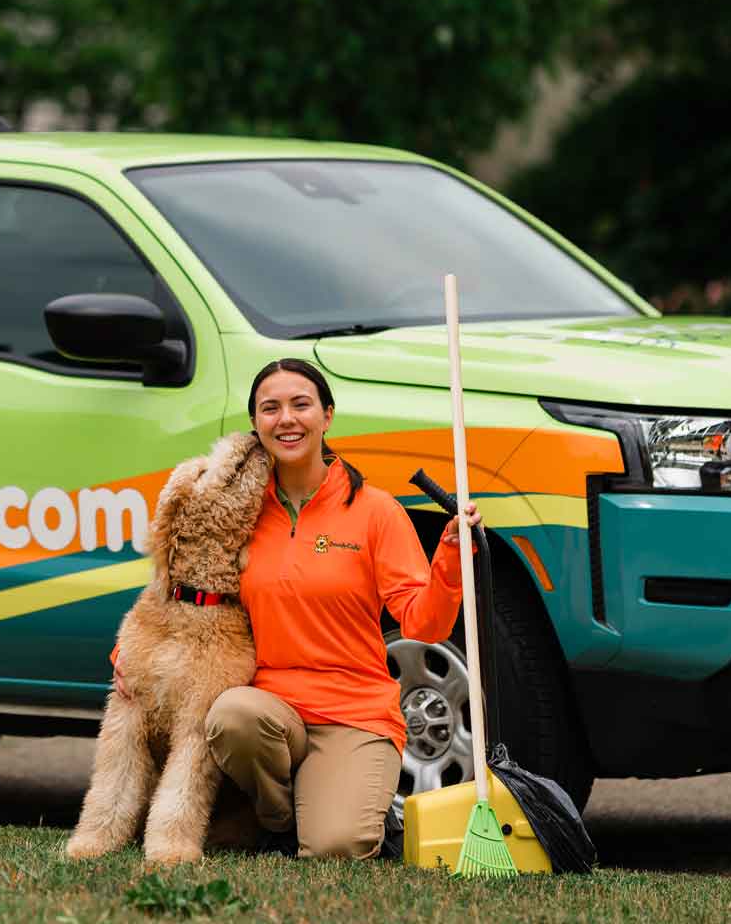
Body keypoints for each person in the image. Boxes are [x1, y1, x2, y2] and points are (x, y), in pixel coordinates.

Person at [114, 357, 479, 859]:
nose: (286, 419)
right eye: (271, 408)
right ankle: (278, 819)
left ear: (326, 416)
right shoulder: (240, 509)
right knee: (230, 716)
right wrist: (130, 656)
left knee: (337, 845)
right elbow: (183, 586)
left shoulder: (375, 511)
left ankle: (334, 809)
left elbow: (425, 622)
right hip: (268, 706)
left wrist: (451, 559)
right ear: (256, 425)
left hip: (354, 711)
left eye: (301, 405)